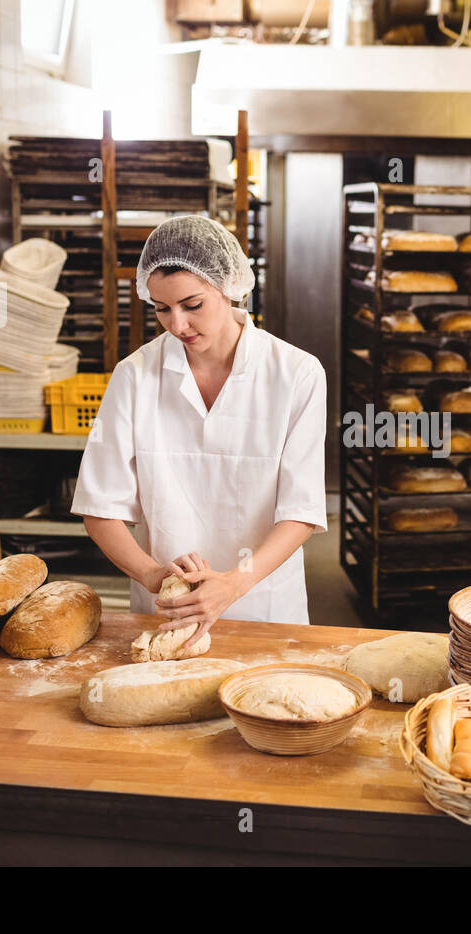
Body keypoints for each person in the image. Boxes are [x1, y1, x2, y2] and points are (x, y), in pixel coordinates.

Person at [71, 215, 327, 647]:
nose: (177, 325)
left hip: (265, 609)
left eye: (192, 305)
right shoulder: (134, 376)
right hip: (167, 617)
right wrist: (153, 575)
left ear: (230, 287)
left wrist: (233, 583)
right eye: (161, 309)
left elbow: (300, 511)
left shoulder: (296, 374)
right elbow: (99, 508)